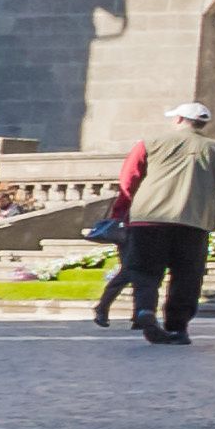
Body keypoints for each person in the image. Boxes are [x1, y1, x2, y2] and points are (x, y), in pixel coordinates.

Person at [117, 107, 215, 345]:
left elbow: (128, 178)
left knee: (145, 270)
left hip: (148, 218)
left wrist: (122, 208)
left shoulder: (150, 143)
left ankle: (144, 311)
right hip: (194, 222)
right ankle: (177, 327)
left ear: (180, 119)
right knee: (187, 276)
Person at [85, 133, 154, 328]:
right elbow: (125, 193)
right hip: (131, 225)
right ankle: (107, 308)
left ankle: (133, 313)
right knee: (131, 270)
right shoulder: (143, 178)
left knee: (137, 270)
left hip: (146, 224)